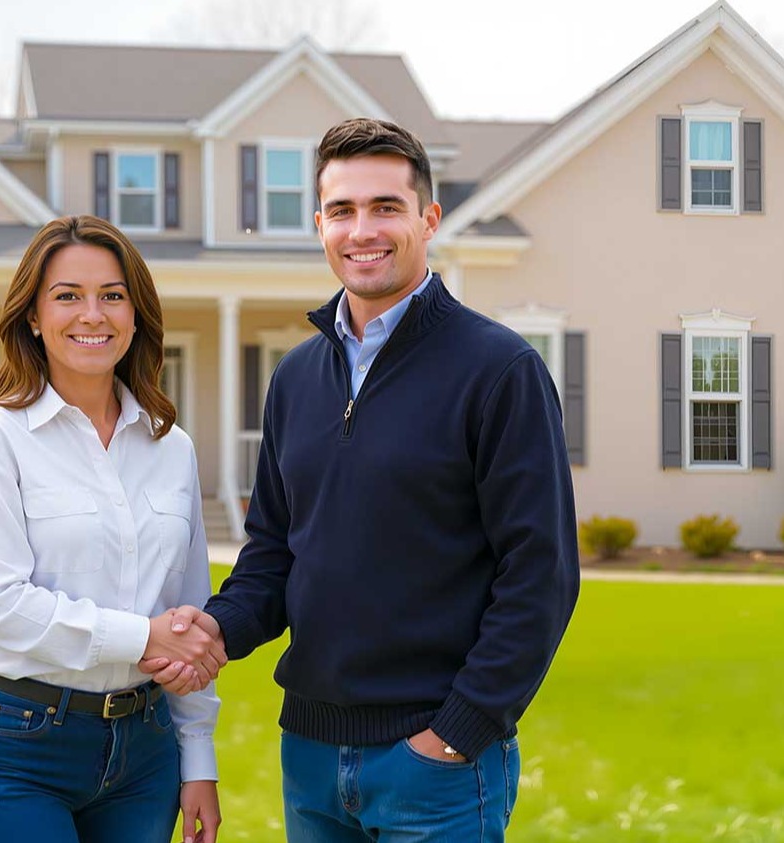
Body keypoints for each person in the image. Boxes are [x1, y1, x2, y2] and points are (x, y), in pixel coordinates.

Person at [156, 118, 581, 841]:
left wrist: (456, 733)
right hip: (312, 759)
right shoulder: (295, 378)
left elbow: (540, 574)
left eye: (386, 207)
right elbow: (274, 556)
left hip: (437, 764)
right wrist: (214, 629)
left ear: (429, 218)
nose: (364, 230)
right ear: (319, 223)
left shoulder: (499, 370)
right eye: (344, 211)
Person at [0, 215, 224, 843]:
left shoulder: (170, 447)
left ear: (135, 314)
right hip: (22, 747)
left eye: (112, 295)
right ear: (34, 317)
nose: (92, 315)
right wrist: (141, 636)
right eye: (67, 296)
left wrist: (198, 758)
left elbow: (189, 614)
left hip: (146, 754)